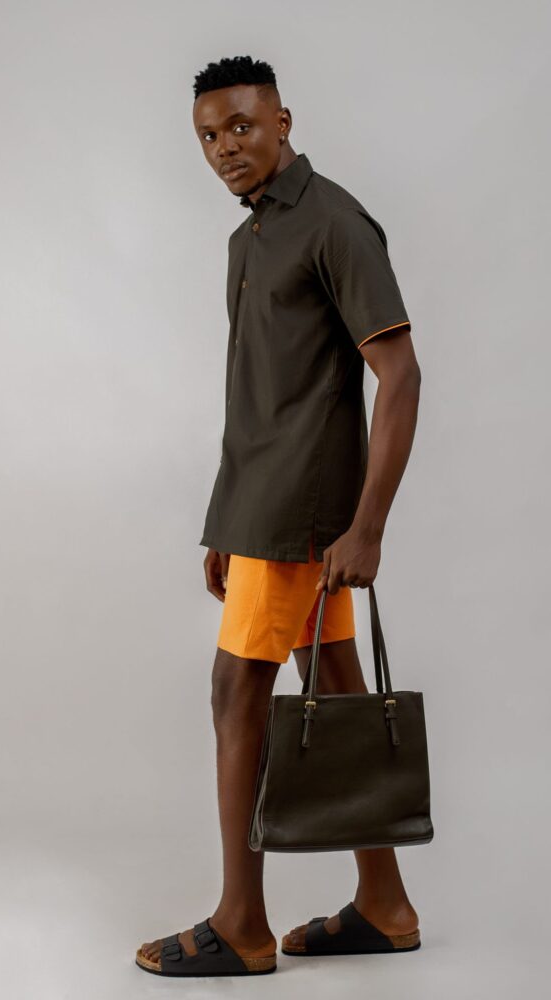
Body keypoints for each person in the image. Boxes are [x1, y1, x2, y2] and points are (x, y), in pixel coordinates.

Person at [136, 55, 422, 978]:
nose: (225, 148)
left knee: (236, 691)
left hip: (305, 511)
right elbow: (256, 397)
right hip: (263, 507)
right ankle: (385, 904)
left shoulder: (334, 221)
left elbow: (401, 375)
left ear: (283, 121)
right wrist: (227, 518)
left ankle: (241, 926)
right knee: (334, 685)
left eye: (241, 127)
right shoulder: (249, 238)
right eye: (208, 136)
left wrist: (368, 525)